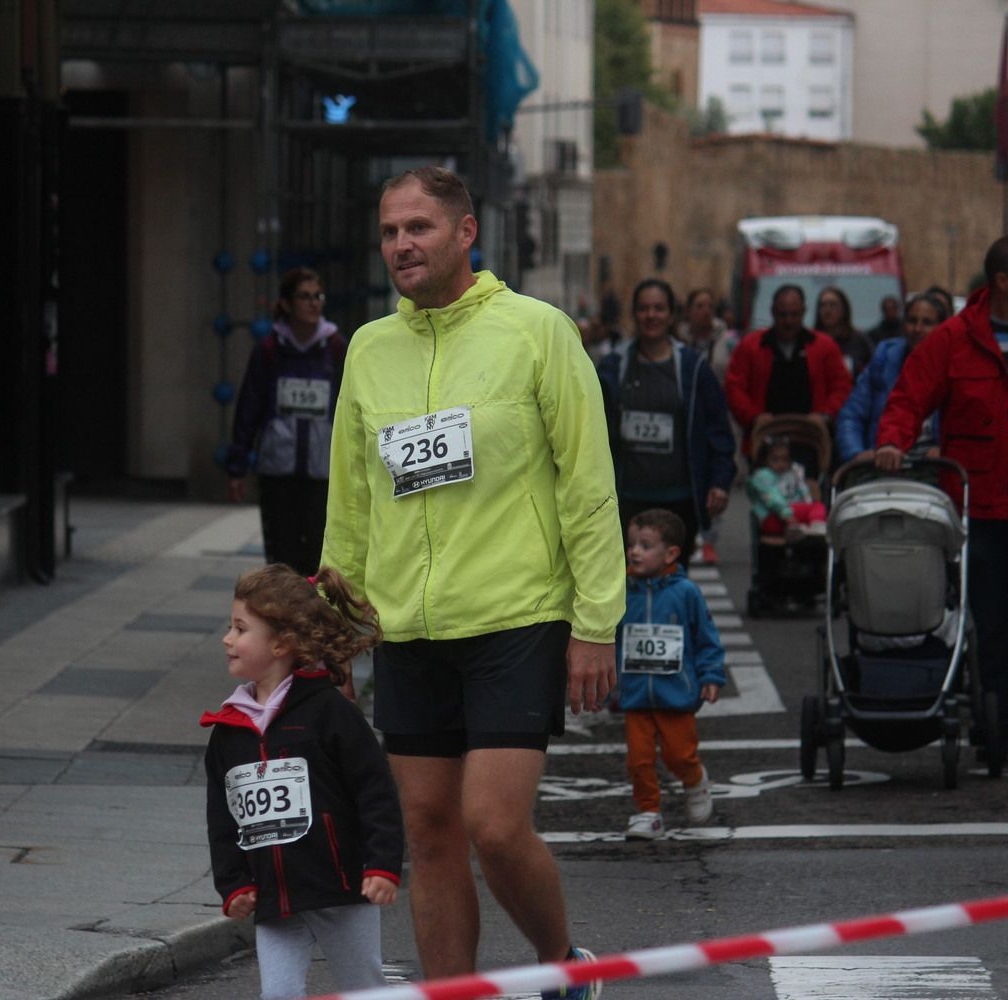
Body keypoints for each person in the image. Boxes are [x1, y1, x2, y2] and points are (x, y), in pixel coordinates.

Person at [322, 165, 622, 1000]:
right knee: (428, 829)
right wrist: (331, 629)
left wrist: (596, 621)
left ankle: (563, 964)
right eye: (388, 231)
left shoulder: (536, 331)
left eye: (418, 227)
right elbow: (350, 500)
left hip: (514, 615)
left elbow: (587, 483)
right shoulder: (368, 350)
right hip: (409, 628)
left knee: (493, 824)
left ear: (465, 233)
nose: (400, 245)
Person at [876, 235, 1008, 771]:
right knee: (989, 620)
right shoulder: (954, 339)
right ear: (1002, 283)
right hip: (982, 506)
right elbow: (909, 396)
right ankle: (1001, 719)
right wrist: (894, 440)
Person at [201, 564, 402, 1000]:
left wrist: (382, 864)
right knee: (277, 994)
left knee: (365, 989)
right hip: (274, 899)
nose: (227, 639)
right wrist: (234, 883)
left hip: (340, 888)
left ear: (282, 644)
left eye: (240, 629)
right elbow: (222, 818)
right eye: (230, 627)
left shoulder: (330, 714)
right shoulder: (227, 731)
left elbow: (376, 791)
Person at [596, 280, 735, 567]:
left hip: (678, 501)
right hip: (627, 499)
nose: (651, 316)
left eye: (659, 309)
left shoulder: (693, 368)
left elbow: (717, 428)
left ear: (672, 315)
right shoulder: (613, 366)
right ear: (634, 314)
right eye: (644, 309)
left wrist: (719, 481)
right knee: (628, 586)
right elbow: (593, 428)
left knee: (671, 584)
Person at [226, 268, 349, 576]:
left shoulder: (335, 347)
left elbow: (351, 408)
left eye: (318, 296)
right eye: (304, 296)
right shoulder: (269, 349)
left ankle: (313, 621)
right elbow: (249, 406)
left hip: (322, 471)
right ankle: (283, 622)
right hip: (277, 470)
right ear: (286, 303)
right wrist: (237, 466)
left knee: (319, 556)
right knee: (281, 557)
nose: (313, 303)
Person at [617, 509, 725, 840]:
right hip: (635, 694)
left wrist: (711, 675)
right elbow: (607, 638)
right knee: (638, 760)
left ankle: (694, 780)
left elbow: (706, 637)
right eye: (632, 544)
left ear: (671, 553)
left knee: (679, 755)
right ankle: (648, 812)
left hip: (676, 694)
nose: (634, 551)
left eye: (645, 545)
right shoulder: (620, 590)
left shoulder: (686, 593)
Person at [725, 283, 852, 474]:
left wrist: (825, 415)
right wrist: (754, 416)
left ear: (803, 312)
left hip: (811, 440)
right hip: (765, 441)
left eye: (794, 315)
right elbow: (734, 387)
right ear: (773, 312)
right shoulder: (751, 346)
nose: (788, 321)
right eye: (782, 314)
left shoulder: (824, 347)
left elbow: (842, 386)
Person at [835, 293, 949, 463]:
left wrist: (948, 452)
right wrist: (856, 453)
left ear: (942, 327)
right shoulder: (884, 359)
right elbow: (851, 416)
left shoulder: (955, 365)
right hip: (884, 463)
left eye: (927, 323)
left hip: (938, 468)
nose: (917, 329)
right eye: (912, 321)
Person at [747, 436, 827, 538]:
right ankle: (812, 527)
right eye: (775, 460)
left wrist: (807, 502)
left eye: (785, 460)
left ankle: (804, 529)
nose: (781, 464)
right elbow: (772, 497)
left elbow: (802, 491)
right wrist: (786, 514)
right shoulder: (763, 476)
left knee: (817, 506)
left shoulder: (793, 473)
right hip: (772, 515)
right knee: (817, 507)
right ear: (765, 460)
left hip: (793, 513)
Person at [682, 287, 737, 387]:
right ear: (688, 311)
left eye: (710, 307)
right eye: (700, 306)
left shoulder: (728, 341)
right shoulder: (680, 340)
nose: (706, 312)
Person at [816, 286, 873, 378]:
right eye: (823, 305)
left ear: (844, 308)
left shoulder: (860, 341)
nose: (827, 310)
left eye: (833, 305)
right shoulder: (811, 341)